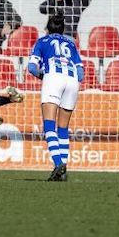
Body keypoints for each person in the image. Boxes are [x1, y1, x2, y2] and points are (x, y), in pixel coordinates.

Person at [28, 14, 84, 181]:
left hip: (53, 78)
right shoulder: (71, 43)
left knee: (49, 126)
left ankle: (59, 164)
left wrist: (43, 77)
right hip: (73, 80)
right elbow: (81, 72)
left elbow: (32, 67)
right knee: (63, 128)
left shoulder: (42, 41)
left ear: (47, 29)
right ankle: (63, 170)